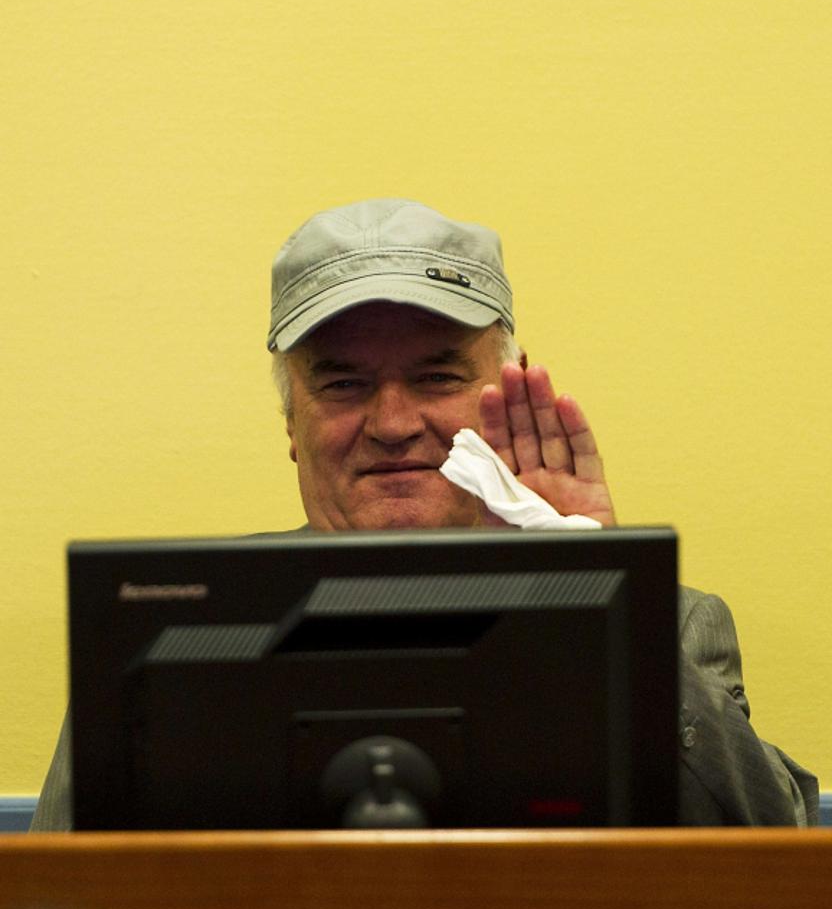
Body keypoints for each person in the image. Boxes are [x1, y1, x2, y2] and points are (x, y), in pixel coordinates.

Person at [31, 198, 818, 829]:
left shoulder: (668, 627)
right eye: (343, 385)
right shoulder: (161, 635)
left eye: (438, 377)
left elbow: (774, 858)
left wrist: (597, 591)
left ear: (509, 393)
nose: (393, 422)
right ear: (291, 423)